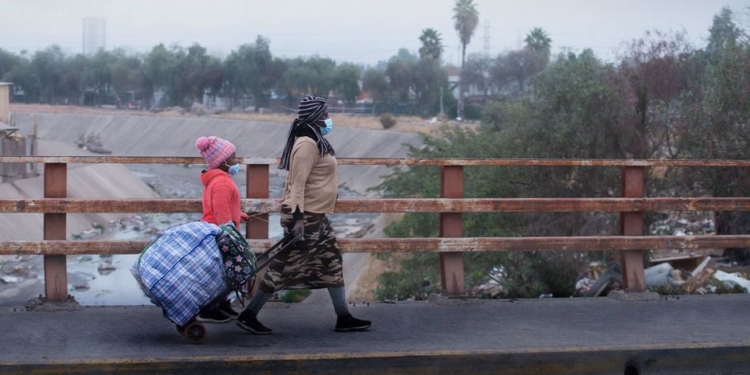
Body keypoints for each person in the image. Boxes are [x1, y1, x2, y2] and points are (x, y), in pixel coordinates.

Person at [236, 96, 371, 334]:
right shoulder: (307, 144)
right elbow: (297, 185)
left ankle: (344, 317)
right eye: (325, 112)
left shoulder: (315, 140)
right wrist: (297, 220)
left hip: (316, 216)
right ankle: (249, 315)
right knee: (283, 266)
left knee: (331, 262)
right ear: (315, 116)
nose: (328, 117)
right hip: (305, 217)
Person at [194, 135, 249, 323]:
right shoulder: (223, 183)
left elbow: (223, 206)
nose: (236, 161)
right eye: (233, 158)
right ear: (223, 161)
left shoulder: (215, 179)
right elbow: (221, 213)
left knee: (222, 271)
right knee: (224, 272)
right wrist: (231, 234)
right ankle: (210, 308)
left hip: (212, 230)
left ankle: (222, 303)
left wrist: (238, 214)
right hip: (220, 233)